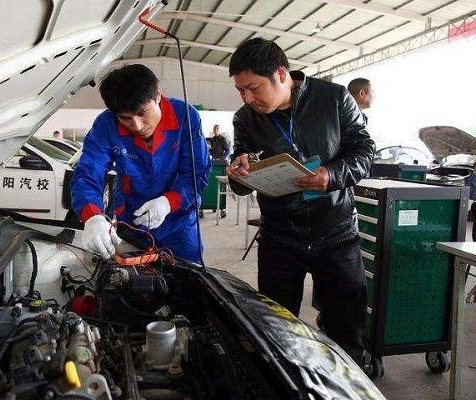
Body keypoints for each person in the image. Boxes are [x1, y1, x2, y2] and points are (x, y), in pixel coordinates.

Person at [226, 38, 375, 364]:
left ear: (281, 74)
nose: (247, 99)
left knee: (346, 324)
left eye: (253, 88)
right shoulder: (245, 119)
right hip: (280, 237)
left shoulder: (334, 98)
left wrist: (332, 175)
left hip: (336, 232)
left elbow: (364, 152)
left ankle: (351, 374)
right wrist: (239, 172)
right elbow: (242, 168)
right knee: (276, 327)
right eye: (240, 91)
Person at [71, 64, 211, 264]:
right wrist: (92, 217)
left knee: (188, 281)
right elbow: (88, 173)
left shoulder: (186, 117)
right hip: (132, 224)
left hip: (179, 224)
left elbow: (197, 172)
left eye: (142, 113)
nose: (137, 125)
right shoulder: (106, 124)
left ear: (158, 96)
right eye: (126, 118)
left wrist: (167, 202)